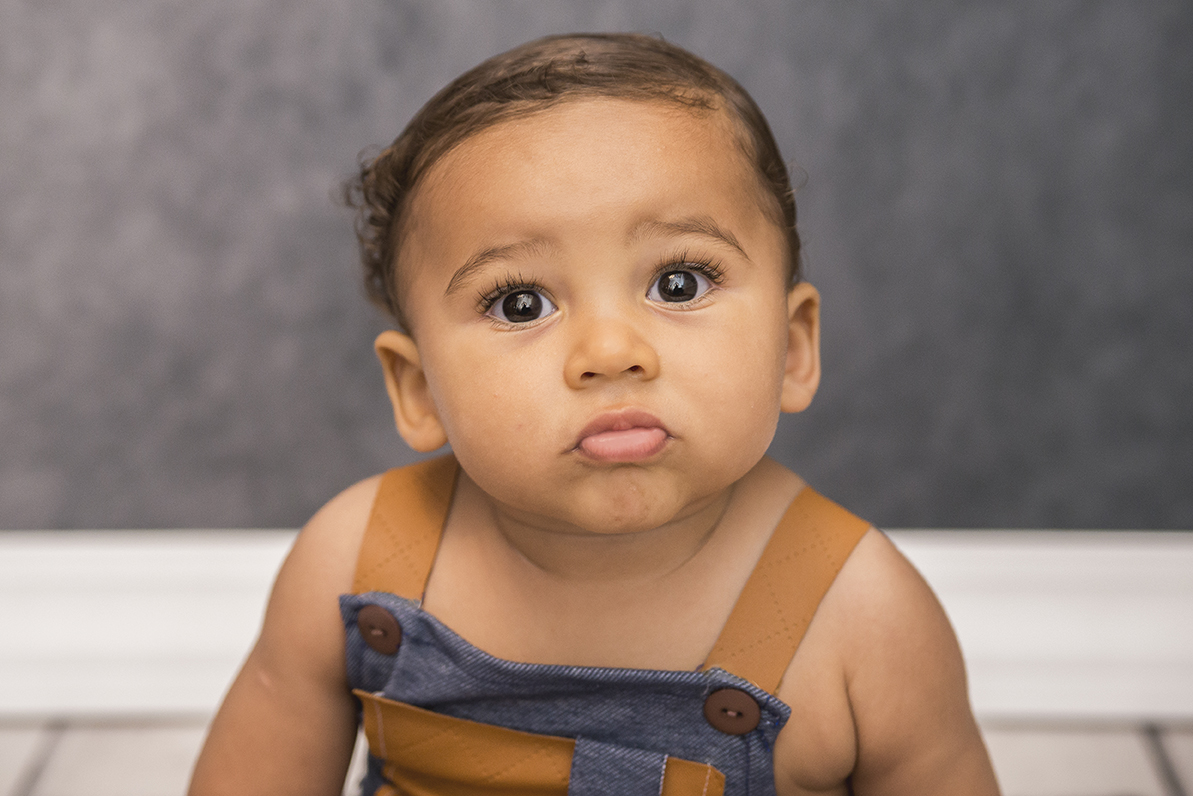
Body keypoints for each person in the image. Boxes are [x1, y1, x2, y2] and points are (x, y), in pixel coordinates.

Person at [189, 33, 1000, 796]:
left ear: (791, 348)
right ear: (419, 390)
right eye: (519, 302)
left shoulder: (858, 615)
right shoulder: (359, 561)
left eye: (677, 283)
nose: (610, 351)